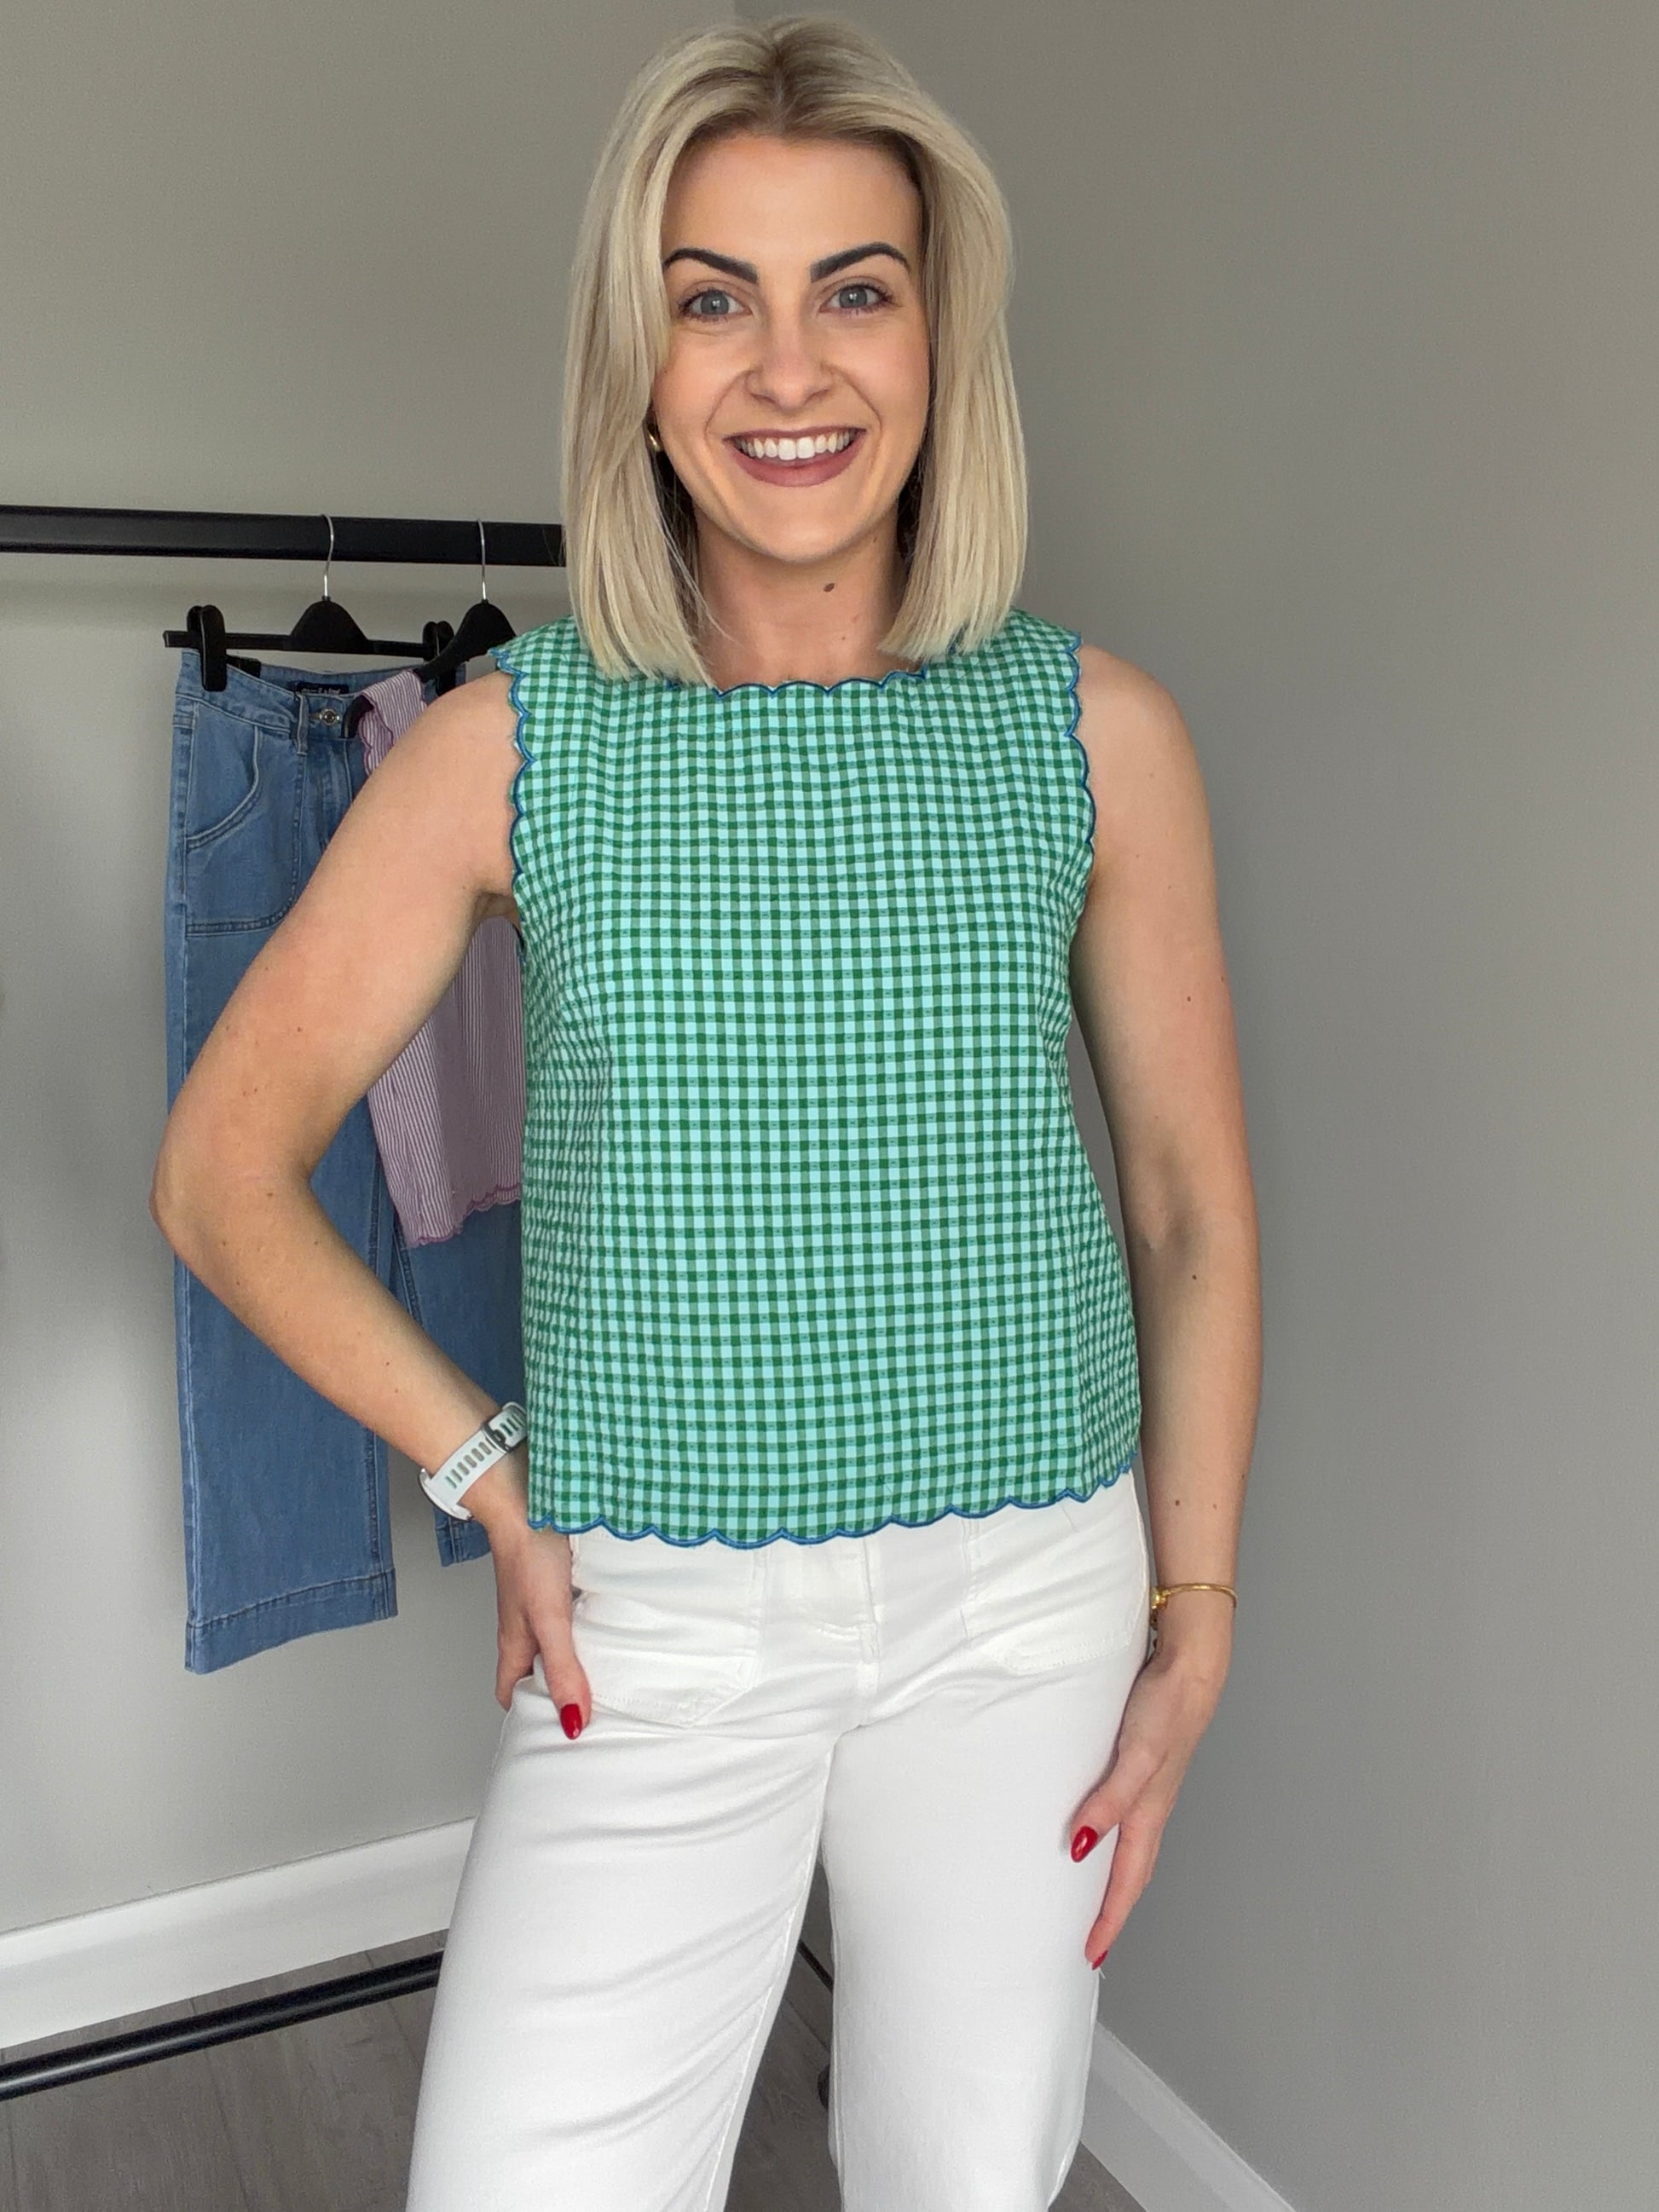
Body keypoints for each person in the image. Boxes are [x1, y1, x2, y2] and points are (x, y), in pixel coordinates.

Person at [151, 15, 1260, 2209]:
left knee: (964, 2173)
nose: (790, 369)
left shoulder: (1093, 733)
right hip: (653, 1620)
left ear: (937, 340)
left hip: (1026, 1600)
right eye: (711, 297)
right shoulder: (507, 742)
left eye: (855, 288)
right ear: (637, 364)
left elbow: (1185, 1204)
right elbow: (221, 1170)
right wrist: (480, 1466)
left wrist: (1196, 1597)